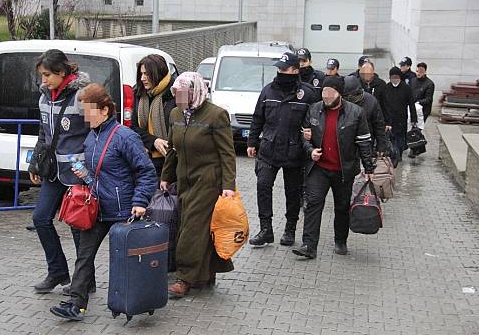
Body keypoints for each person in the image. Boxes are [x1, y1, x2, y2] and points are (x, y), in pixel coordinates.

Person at [50, 83, 157, 321]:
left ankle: (137, 301)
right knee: (84, 255)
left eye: (88, 110)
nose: (85, 116)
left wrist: (140, 201)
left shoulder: (125, 136)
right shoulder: (91, 137)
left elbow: (146, 171)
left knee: (127, 261)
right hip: (97, 207)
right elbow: (100, 174)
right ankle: (76, 305)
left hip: (125, 209)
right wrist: (85, 175)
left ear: (105, 110)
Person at [160, 72, 237, 298]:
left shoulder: (216, 115)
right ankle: (207, 272)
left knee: (191, 230)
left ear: (195, 92)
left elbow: (227, 154)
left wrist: (228, 185)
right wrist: (166, 176)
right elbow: (173, 150)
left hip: (208, 181)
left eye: (183, 93)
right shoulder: (175, 114)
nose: (178, 98)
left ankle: (184, 278)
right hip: (185, 180)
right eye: (176, 93)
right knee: (197, 228)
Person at [29, 49, 91, 294]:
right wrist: (35, 163)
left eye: (47, 75)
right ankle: (57, 272)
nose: (43, 80)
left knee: (78, 226)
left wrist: (91, 170)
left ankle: (84, 279)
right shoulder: (44, 98)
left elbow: (99, 129)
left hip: (77, 173)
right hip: (53, 172)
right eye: (41, 75)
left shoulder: (83, 96)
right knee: (40, 218)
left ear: (62, 72)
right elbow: (44, 134)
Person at [293, 76, 375, 259]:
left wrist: (368, 168)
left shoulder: (356, 113)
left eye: (331, 93)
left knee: (342, 206)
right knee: (313, 203)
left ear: (340, 94)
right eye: (324, 92)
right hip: (319, 167)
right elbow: (304, 135)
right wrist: (310, 150)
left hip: (344, 169)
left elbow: (364, 142)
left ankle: (340, 240)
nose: (327, 97)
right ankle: (308, 245)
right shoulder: (314, 110)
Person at [246, 52, 319, 247]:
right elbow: (257, 118)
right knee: (263, 186)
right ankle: (266, 229)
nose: (280, 72)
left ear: (295, 71)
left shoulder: (308, 93)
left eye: (284, 69)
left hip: (294, 152)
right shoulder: (268, 91)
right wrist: (252, 142)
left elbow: (316, 121)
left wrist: (312, 141)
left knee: (293, 193)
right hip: (268, 149)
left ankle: (290, 230)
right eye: (278, 69)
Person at [131, 54, 177, 180]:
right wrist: (154, 141)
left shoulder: (176, 93)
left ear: (158, 73)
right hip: (145, 159)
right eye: (141, 74)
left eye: (147, 74)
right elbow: (134, 128)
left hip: (172, 161)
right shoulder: (139, 93)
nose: (142, 78)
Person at [342, 75, 387, 157]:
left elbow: (379, 125)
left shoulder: (371, 101)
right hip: (345, 143)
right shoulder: (341, 102)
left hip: (366, 142)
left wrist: (381, 146)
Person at [382, 67, 417, 162]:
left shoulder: (406, 88)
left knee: (400, 137)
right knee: (391, 137)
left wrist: (414, 119)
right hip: (389, 118)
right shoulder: (387, 87)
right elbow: (383, 104)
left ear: (400, 77)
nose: (394, 79)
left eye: (396, 77)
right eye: (392, 77)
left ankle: (399, 154)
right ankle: (392, 153)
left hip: (401, 118)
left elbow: (411, 104)